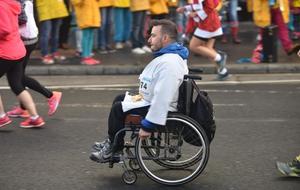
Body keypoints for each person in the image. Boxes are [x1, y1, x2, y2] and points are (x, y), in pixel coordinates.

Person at [90, 19, 189, 163]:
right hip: (153, 100)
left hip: (164, 108)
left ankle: (114, 149)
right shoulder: (168, 58)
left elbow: (163, 97)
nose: (149, 40)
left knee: (118, 109)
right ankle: (113, 141)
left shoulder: (170, 63)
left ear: (165, 38)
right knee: (120, 98)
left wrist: (148, 125)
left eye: (153, 36)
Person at [6, 0, 62, 118]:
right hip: (27, 37)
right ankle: (24, 108)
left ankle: (50, 96)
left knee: (16, 78)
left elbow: (21, 19)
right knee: (18, 76)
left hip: (24, 39)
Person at [0, 0, 44, 128]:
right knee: (17, 84)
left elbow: (4, 30)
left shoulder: (1, 5)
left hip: (6, 52)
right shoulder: (13, 4)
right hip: (17, 49)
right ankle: (35, 118)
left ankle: (2, 117)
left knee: (17, 83)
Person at [177, 0, 229, 80]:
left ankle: (220, 58)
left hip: (208, 24)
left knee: (193, 46)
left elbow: (210, 7)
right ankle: (223, 71)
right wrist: (185, 8)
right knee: (208, 49)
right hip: (210, 22)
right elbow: (201, 6)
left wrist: (195, 14)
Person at [35, 0, 69, 64]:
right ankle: (45, 54)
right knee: (46, 34)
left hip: (57, 8)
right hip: (45, 9)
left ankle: (54, 52)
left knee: (55, 34)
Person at [71, 0, 101, 65]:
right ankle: (85, 57)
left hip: (93, 14)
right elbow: (76, 2)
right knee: (86, 35)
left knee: (90, 36)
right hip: (84, 14)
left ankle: (89, 55)